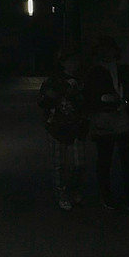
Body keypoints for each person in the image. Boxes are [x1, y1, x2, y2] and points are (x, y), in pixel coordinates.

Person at [84, 36, 129, 210]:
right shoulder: (94, 73)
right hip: (105, 120)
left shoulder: (125, 70)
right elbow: (88, 98)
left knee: (127, 160)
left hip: (124, 119)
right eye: (103, 50)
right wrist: (104, 101)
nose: (106, 53)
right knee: (105, 159)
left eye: (109, 49)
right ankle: (107, 195)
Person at [38, 50, 88, 210]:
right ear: (63, 63)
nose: (74, 64)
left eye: (76, 61)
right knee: (58, 164)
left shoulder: (82, 80)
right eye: (70, 61)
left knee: (79, 163)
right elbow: (44, 101)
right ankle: (62, 195)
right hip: (57, 126)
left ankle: (73, 190)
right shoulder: (54, 81)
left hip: (77, 126)